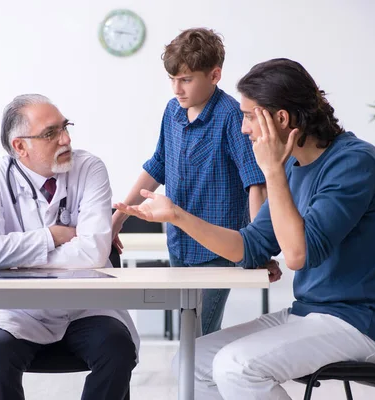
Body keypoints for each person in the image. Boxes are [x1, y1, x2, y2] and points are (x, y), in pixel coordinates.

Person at [114, 58, 375, 399]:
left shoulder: (354, 164)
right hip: (310, 313)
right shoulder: (296, 168)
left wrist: (273, 173)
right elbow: (249, 246)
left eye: (250, 116)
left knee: (237, 366)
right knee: (190, 362)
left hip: (361, 324)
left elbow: (298, 255)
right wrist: (176, 215)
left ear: (280, 119)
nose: (244, 128)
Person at [0, 94, 139, 400]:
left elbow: (94, 252)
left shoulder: (90, 168)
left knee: (117, 348)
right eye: (51, 133)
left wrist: (16, 261)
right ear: (20, 147)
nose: (65, 139)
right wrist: (53, 236)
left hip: (85, 307)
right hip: (17, 311)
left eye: (65, 127)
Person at [112, 28, 269, 336]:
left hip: (217, 250)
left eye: (185, 80)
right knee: (191, 334)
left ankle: (206, 383)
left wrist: (256, 248)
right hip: (179, 245)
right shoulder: (173, 111)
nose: (176, 89)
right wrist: (118, 218)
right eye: (172, 79)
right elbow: (158, 165)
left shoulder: (231, 117)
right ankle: (199, 383)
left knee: (201, 334)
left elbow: (255, 182)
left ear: (214, 75)